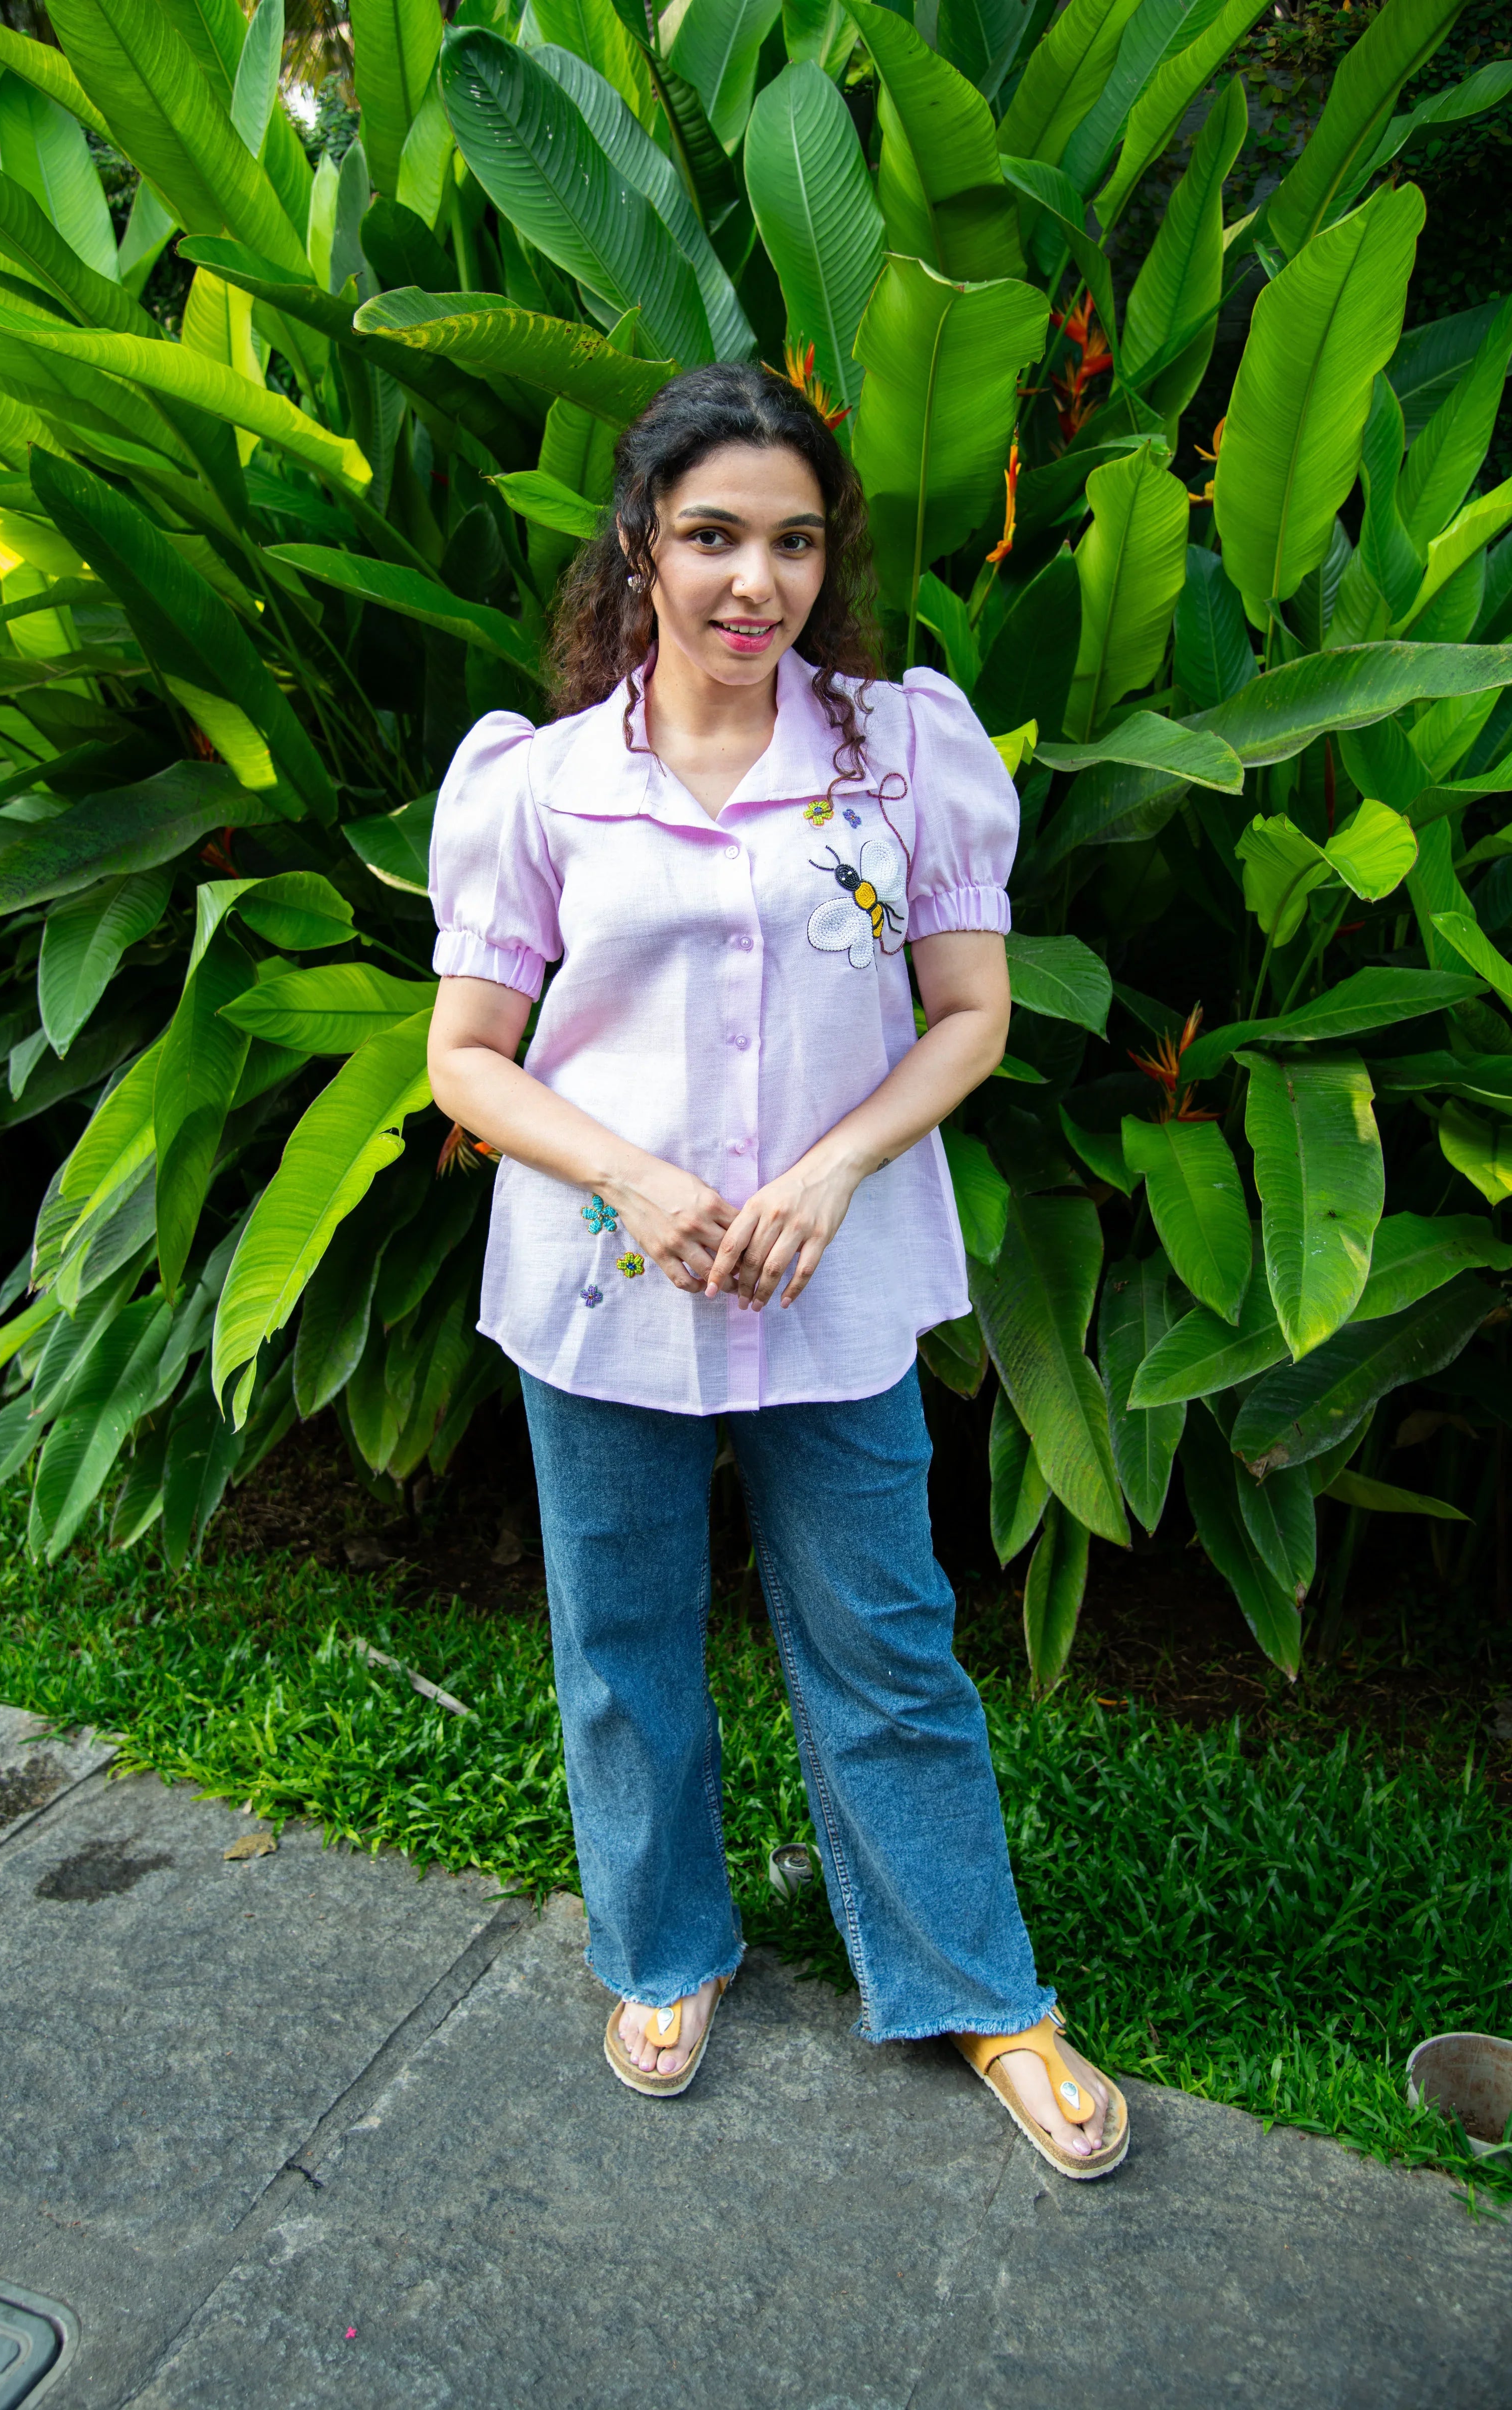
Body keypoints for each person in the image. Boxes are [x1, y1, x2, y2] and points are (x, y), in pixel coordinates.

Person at [425, 362, 1126, 2179]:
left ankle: (981, 1987)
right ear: (643, 546)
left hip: (835, 1276)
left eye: (795, 542)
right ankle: (664, 1949)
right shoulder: (542, 786)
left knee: (888, 1639)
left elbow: (967, 1017)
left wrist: (828, 1171)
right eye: (716, 537)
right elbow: (470, 1056)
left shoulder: (901, 754)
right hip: (602, 1285)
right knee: (623, 1644)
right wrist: (636, 1180)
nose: (758, 582)